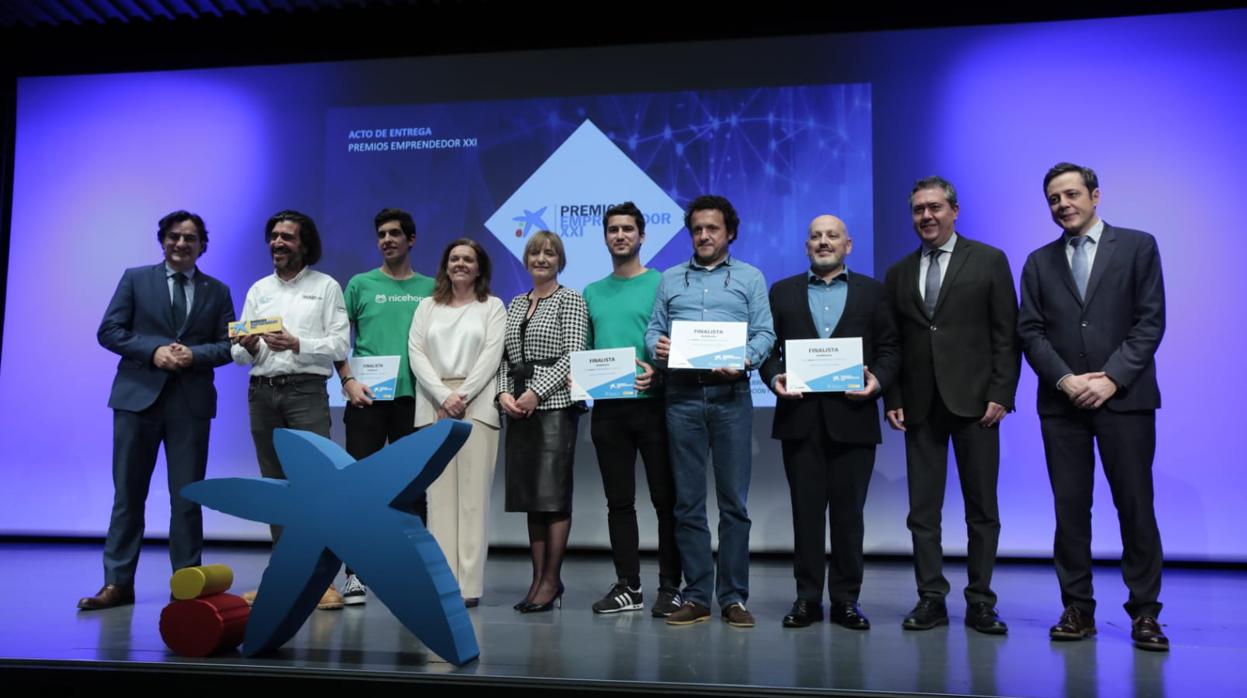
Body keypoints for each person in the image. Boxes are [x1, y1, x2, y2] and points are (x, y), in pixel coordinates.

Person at [1018, 162, 1168, 651]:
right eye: (1054, 199)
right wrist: (1065, 379)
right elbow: (1030, 331)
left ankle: (1145, 613)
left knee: (1135, 508)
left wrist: (1111, 379)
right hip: (1063, 407)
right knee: (1070, 512)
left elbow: (1150, 321)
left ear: (1095, 195)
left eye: (1071, 194)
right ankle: (1077, 609)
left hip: (1124, 400)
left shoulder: (1139, 245)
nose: (1063, 204)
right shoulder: (1039, 262)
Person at [882, 177, 1019, 634]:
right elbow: (894, 344)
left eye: (935, 207)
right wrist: (894, 397)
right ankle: (930, 599)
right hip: (920, 408)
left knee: (982, 510)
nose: (926, 216)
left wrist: (1002, 392)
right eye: (918, 209)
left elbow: (1007, 333)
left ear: (954, 211)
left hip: (978, 405)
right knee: (923, 512)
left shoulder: (989, 260)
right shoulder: (899, 272)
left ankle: (980, 601)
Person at [79, 211, 235, 610]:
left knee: (187, 500)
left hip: (190, 405)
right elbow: (109, 331)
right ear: (162, 240)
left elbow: (229, 346)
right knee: (128, 496)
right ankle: (117, 584)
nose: (181, 244)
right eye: (174, 237)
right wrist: (154, 351)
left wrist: (192, 355)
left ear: (203, 245)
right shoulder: (135, 278)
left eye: (190, 238)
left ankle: (185, 585)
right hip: (137, 401)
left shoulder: (217, 291)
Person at [759, 214, 899, 629]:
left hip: (854, 419)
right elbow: (768, 350)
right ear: (806, 246)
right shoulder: (781, 292)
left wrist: (878, 382)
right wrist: (773, 376)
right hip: (799, 420)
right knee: (805, 515)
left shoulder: (873, 293)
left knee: (849, 516)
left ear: (848, 245)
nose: (823, 242)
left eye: (832, 236)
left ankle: (845, 601)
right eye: (816, 236)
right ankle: (806, 599)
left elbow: (891, 348)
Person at [645, 194, 775, 628]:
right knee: (687, 504)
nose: (703, 235)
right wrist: (658, 349)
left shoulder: (750, 278)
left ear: (730, 233)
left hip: (730, 397)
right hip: (681, 396)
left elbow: (765, 333)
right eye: (697, 229)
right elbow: (653, 332)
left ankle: (734, 597)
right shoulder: (670, 279)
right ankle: (698, 595)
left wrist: (744, 359)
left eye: (712, 228)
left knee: (734, 503)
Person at [231, 209, 350, 610]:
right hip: (262, 393)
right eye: (274, 237)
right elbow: (237, 350)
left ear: (305, 244)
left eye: (287, 237)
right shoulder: (259, 288)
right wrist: (244, 347)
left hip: (305, 392)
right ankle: (283, 578)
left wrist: (298, 343)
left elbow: (339, 346)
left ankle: (322, 583)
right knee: (275, 490)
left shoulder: (327, 286)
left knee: (316, 488)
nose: (278, 243)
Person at [582, 202, 682, 617]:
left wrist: (660, 375)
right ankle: (628, 586)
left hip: (655, 406)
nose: (620, 235)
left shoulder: (664, 283)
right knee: (618, 502)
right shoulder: (591, 291)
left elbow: (676, 346)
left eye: (627, 229)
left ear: (642, 235)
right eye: (612, 229)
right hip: (608, 411)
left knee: (666, 501)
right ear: (605, 237)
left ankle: (671, 586)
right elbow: (586, 353)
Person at [334, 208, 435, 606]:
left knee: (413, 488)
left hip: (415, 399)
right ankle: (355, 574)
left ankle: (416, 571)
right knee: (359, 487)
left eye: (395, 233)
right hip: (367, 398)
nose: (387, 239)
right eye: (381, 234)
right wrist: (346, 380)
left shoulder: (432, 287)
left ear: (412, 240)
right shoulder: (359, 284)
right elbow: (337, 341)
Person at [409, 238, 505, 608]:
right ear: (445, 265)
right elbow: (416, 353)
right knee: (438, 499)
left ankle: (469, 586)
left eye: (468, 259)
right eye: (454, 258)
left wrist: (460, 396)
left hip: (475, 405)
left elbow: (491, 355)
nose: (461, 264)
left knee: (472, 500)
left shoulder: (492, 307)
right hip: (434, 404)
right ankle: (442, 580)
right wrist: (442, 395)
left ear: (479, 268)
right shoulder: (426, 307)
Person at [497, 230, 588, 613]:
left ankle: (552, 580)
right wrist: (503, 394)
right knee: (531, 499)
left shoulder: (571, 299)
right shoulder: (516, 302)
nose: (541, 259)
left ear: (560, 260)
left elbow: (574, 354)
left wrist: (536, 392)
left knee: (552, 497)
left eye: (549, 254)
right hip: (517, 408)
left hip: (555, 406)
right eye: (535, 253)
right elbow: (503, 357)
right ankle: (537, 580)